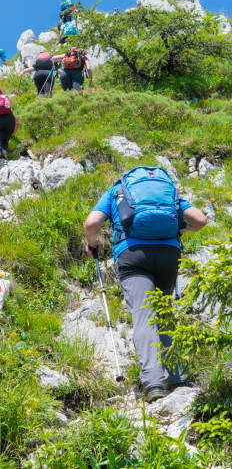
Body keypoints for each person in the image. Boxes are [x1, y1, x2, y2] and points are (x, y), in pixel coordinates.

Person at [84, 166, 207, 403]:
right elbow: (200, 220)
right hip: (168, 254)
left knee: (144, 315)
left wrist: (92, 245)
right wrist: (179, 228)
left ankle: (153, 382)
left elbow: (91, 224)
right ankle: (176, 376)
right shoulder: (170, 192)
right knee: (164, 311)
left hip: (132, 254)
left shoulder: (117, 191)